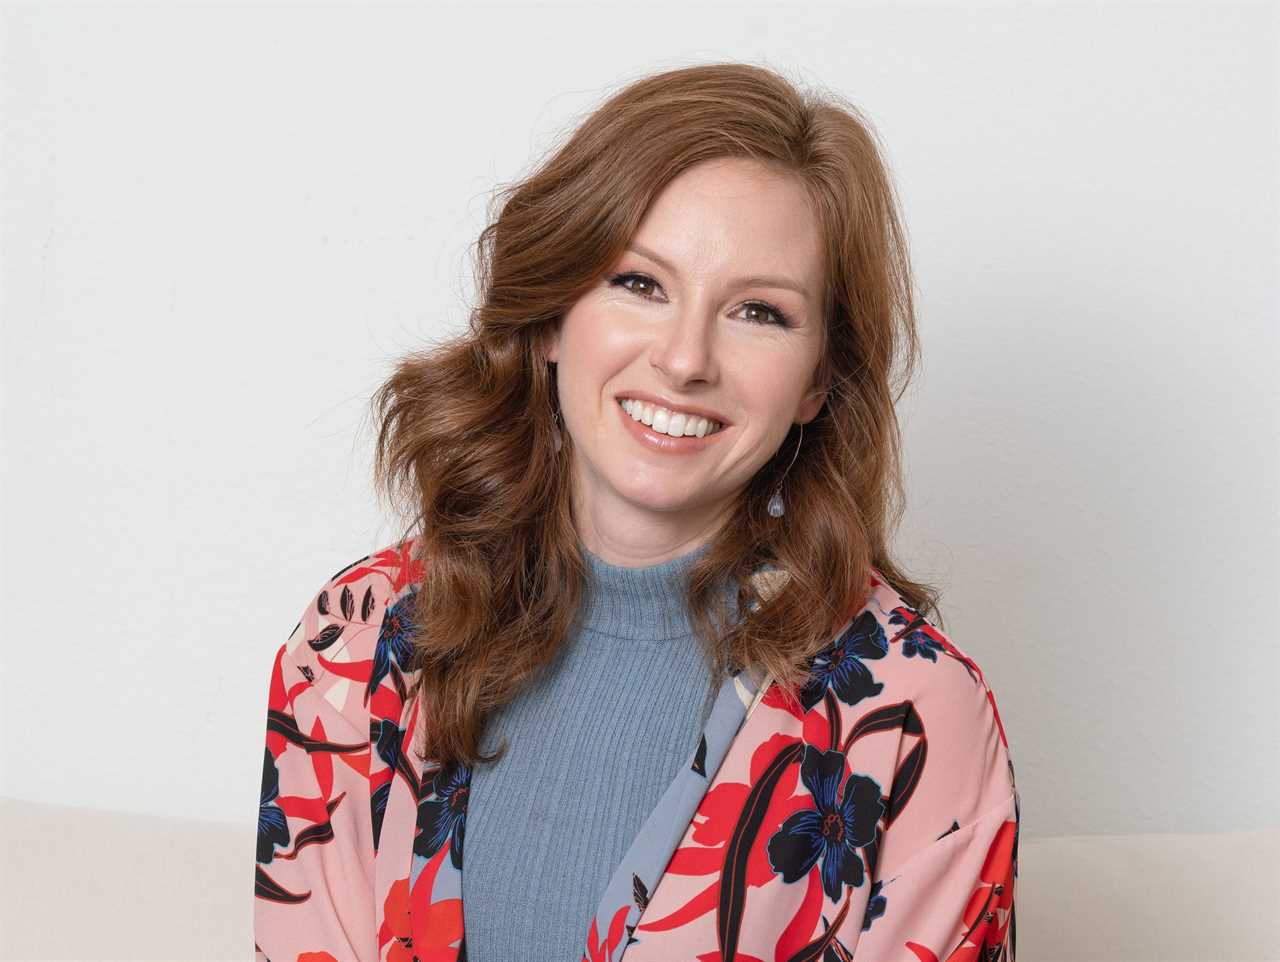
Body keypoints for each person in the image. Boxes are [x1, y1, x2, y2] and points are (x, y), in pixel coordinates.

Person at [253, 62, 1018, 962]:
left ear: (818, 380)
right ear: (550, 316)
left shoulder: (912, 716)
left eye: (759, 312)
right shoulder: (355, 649)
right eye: (640, 285)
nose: (686, 359)